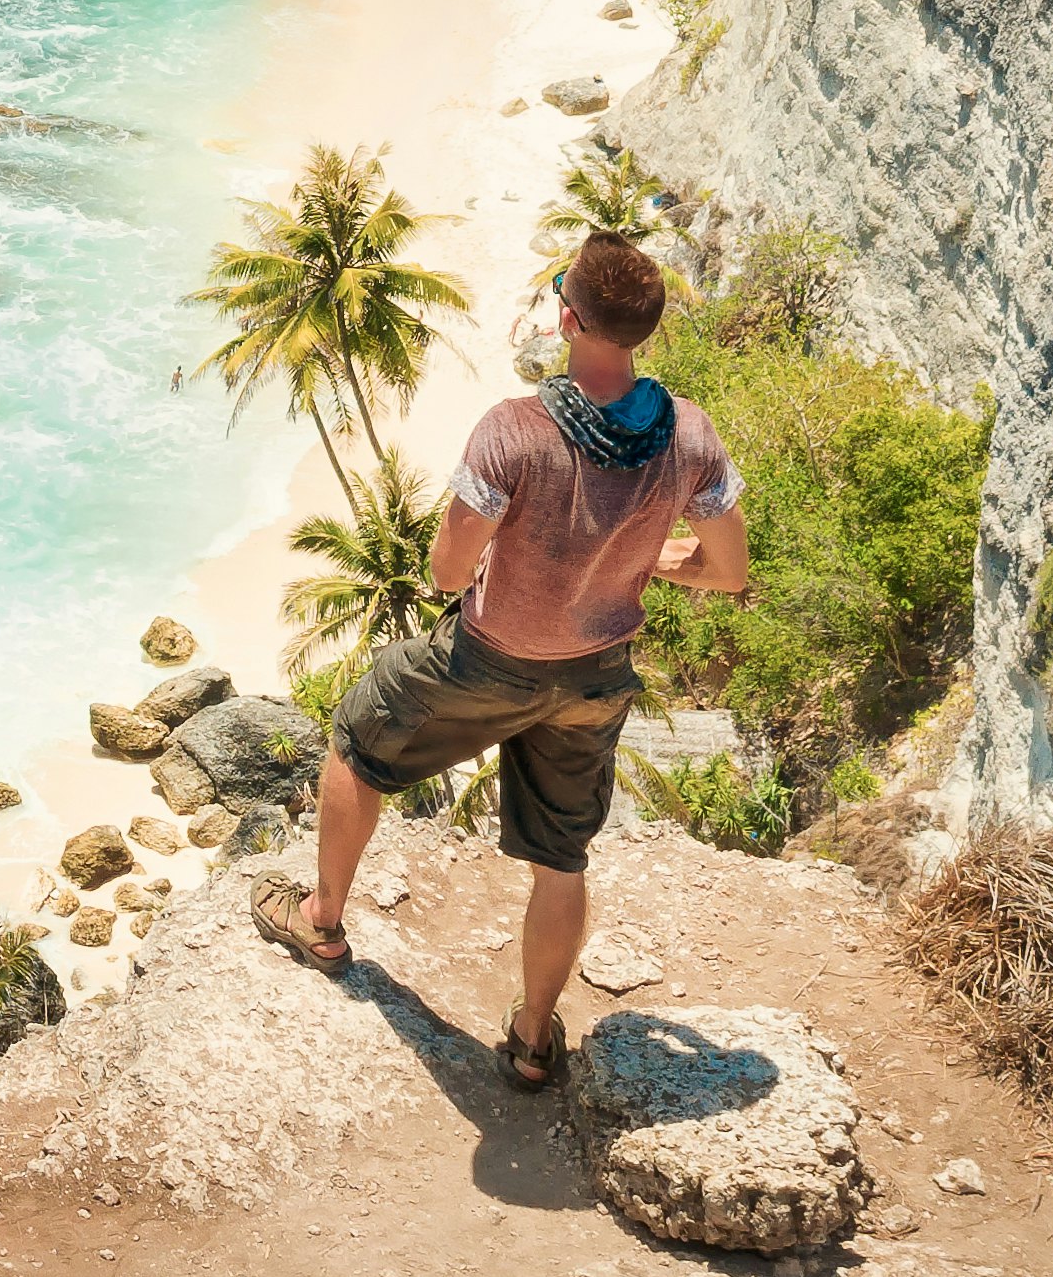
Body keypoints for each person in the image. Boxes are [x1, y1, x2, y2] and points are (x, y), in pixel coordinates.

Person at [252, 228, 748, 1091]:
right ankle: (529, 1039)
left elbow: (448, 570)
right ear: (646, 333)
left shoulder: (514, 431)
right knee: (562, 858)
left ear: (567, 318)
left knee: (357, 741)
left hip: (488, 660)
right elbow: (728, 570)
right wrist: (646, 561)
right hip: (596, 675)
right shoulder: (691, 436)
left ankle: (322, 920)